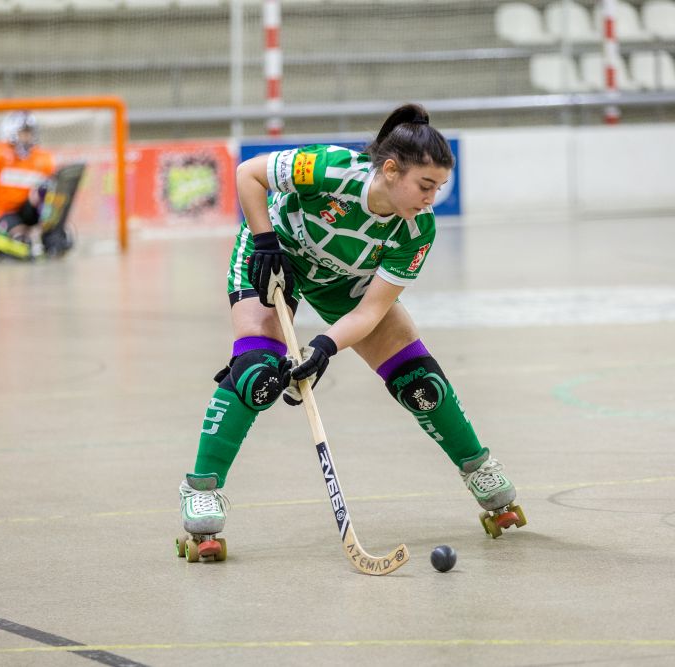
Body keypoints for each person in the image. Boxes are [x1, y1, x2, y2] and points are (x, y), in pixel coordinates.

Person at [179, 103, 520, 547]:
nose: (431, 198)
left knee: (419, 380)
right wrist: (264, 241)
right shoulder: (331, 169)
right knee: (255, 375)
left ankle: (479, 469)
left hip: (346, 282)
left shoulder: (417, 231)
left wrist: (323, 346)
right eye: (425, 185)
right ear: (392, 170)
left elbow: (371, 311)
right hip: (274, 255)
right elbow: (249, 174)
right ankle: (201, 489)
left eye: (439, 187)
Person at [0, 110, 72, 259]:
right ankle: (10, 239)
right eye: (23, 132)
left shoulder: (42, 158)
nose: (28, 137)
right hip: (1, 214)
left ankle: (45, 238)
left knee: (59, 239)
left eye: (30, 132)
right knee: (20, 245)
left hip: (28, 212)